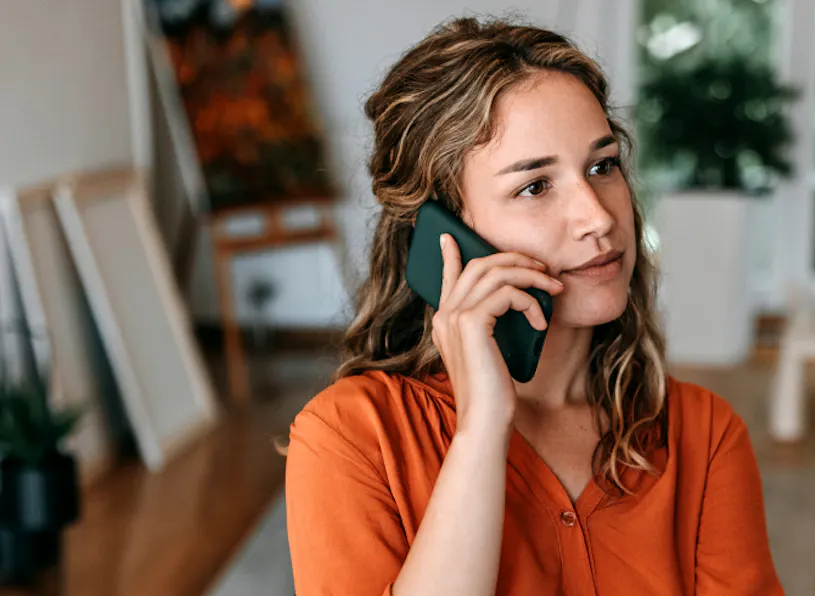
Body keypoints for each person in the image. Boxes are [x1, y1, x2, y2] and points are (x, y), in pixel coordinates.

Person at [284, 15, 783, 596]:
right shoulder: (351, 437)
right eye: (534, 186)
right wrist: (481, 430)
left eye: (602, 166)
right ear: (441, 233)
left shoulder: (704, 435)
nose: (599, 218)